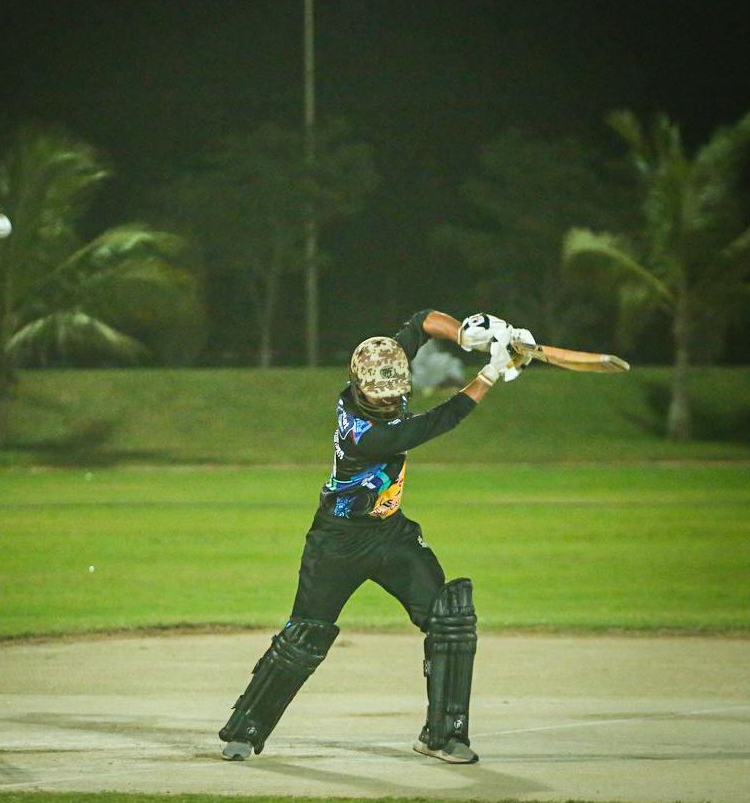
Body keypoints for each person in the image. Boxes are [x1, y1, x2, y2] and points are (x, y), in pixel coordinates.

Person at [218, 309, 533, 764]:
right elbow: (439, 421)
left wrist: (471, 335)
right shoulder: (366, 434)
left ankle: (443, 736)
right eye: (380, 399)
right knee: (305, 633)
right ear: (358, 386)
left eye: (395, 397)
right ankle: (246, 730)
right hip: (337, 543)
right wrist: (490, 373)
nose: (388, 404)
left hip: (391, 534)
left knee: (449, 617)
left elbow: (423, 320)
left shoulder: (383, 361)